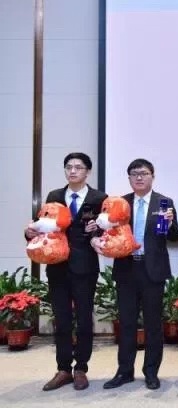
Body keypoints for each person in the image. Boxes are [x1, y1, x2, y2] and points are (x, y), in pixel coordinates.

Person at [25, 153, 107, 391]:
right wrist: (29, 232)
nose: (72, 171)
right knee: (61, 320)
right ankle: (63, 369)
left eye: (78, 167)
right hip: (57, 266)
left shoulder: (99, 198)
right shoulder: (54, 196)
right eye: (68, 167)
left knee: (84, 319)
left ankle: (81, 368)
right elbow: (40, 224)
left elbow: (108, 231)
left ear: (87, 172)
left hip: (85, 267)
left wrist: (97, 231)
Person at [99, 158, 178, 390]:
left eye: (143, 173)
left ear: (152, 176)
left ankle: (151, 372)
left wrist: (170, 223)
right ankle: (124, 371)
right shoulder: (120, 203)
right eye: (134, 174)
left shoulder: (164, 202)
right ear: (129, 178)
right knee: (126, 323)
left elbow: (174, 237)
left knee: (153, 324)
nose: (139, 177)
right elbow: (107, 229)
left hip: (152, 270)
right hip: (126, 268)